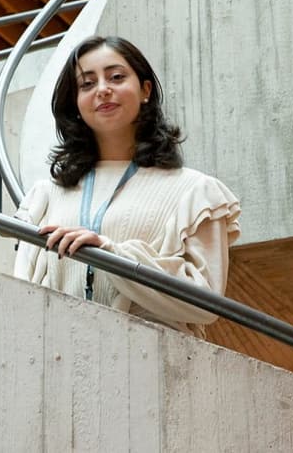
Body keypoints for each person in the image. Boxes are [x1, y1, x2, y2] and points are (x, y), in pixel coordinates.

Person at [13, 35, 241, 339]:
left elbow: (206, 303)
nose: (103, 89)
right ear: (76, 103)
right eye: (87, 84)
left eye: (116, 77)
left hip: (152, 364)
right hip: (57, 356)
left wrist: (111, 253)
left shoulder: (195, 192)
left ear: (145, 90)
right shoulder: (46, 195)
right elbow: (21, 293)